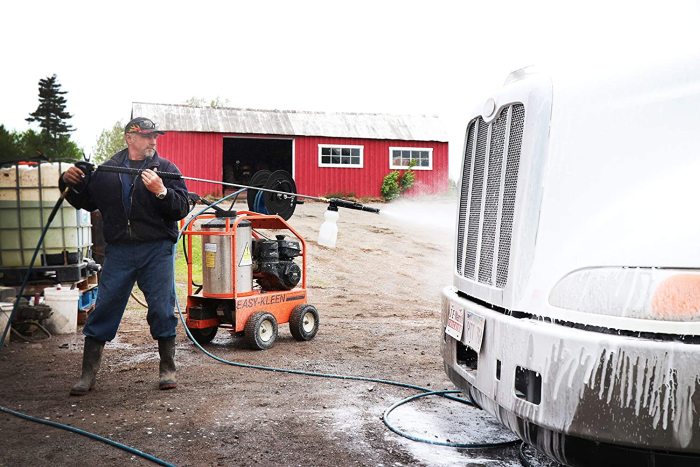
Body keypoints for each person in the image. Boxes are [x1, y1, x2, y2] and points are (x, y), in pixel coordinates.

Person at [59, 117, 190, 395]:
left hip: (157, 250)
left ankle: (168, 367)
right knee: (105, 307)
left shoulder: (166, 169)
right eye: (147, 136)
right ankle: (87, 375)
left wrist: (161, 191)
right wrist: (68, 182)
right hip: (119, 250)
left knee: (162, 308)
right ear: (130, 138)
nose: (153, 141)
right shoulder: (107, 171)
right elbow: (85, 200)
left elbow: (181, 207)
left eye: (155, 136)